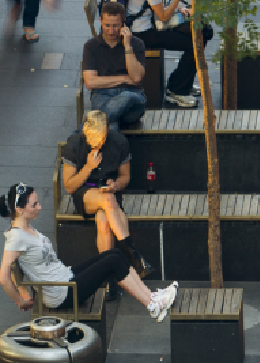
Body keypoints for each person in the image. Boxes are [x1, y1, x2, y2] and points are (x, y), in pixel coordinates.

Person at [0, 183, 177, 321]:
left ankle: (151, 296)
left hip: (66, 276)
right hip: (63, 293)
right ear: (20, 210)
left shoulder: (25, 230)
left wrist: (24, 290)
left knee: (114, 254)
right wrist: (19, 299)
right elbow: (4, 276)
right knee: (112, 262)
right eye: (34, 205)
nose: (39, 207)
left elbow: (20, 266)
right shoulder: (16, 238)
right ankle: (152, 305)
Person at [62, 110, 153, 277]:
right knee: (108, 199)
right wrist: (88, 167)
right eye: (93, 140)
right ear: (85, 131)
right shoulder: (74, 144)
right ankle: (133, 254)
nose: (97, 144)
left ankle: (107, 276)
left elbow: (125, 177)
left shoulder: (119, 142)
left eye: (102, 139)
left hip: (109, 191)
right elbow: (69, 186)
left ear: (108, 129)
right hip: (84, 192)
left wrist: (116, 184)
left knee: (103, 220)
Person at [125, 0, 213, 108]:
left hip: (148, 24)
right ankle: (176, 90)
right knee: (194, 42)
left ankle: (181, 82)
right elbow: (164, 16)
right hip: (143, 34)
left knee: (203, 32)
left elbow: (157, 7)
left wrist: (179, 8)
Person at [82, 0, 147, 130]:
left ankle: (83, 131)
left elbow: (136, 78)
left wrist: (127, 46)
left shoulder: (136, 44)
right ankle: (115, 149)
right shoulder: (91, 46)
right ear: (100, 21)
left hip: (132, 98)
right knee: (110, 126)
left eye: (115, 26)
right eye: (107, 25)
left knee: (126, 97)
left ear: (123, 23)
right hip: (103, 95)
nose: (111, 31)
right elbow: (90, 82)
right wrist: (123, 78)